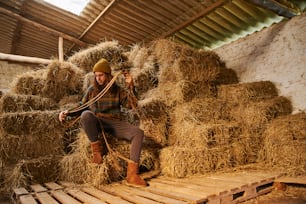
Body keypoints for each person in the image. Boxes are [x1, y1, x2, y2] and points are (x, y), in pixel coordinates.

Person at [59, 58, 147, 187]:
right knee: (86, 114)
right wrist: (67, 113)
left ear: (108, 75)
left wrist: (131, 86)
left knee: (138, 133)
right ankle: (97, 153)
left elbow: (132, 105)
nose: (98, 78)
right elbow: (82, 106)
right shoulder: (91, 90)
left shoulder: (118, 90)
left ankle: (132, 174)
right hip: (98, 121)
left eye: (101, 75)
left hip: (115, 122)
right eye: (96, 76)